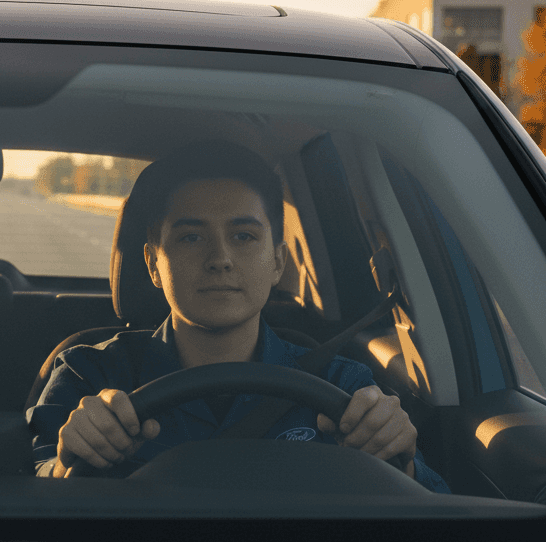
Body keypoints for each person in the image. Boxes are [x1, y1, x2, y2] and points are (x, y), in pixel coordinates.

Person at [28, 142, 450, 492]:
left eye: (244, 236)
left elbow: (435, 514)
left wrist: (399, 460)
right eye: (192, 237)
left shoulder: (343, 387)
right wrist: (68, 463)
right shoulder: (88, 376)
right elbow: (28, 500)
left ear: (278, 263)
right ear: (153, 264)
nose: (221, 259)